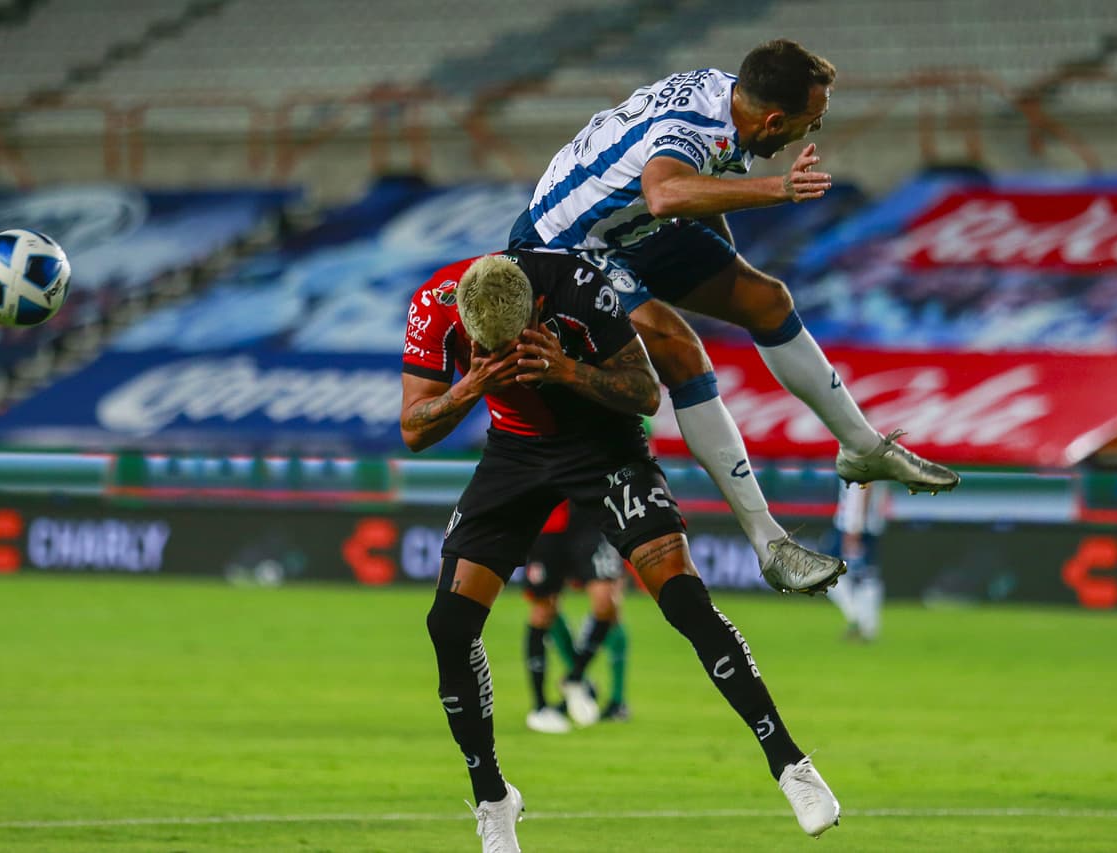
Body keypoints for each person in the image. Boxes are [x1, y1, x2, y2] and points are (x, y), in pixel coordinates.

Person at [401, 252, 840, 851]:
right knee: (448, 624)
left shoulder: (580, 287)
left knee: (683, 598)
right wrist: (473, 386)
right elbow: (413, 426)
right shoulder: (434, 305)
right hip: (515, 454)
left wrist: (565, 372)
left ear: (536, 307)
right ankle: (492, 799)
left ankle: (792, 766)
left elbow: (643, 392)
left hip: (602, 446)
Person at [508, 39, 960, 596]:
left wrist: (727, 270)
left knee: (765, 299)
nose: (809, 134)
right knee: (681, 350)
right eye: (809, 122)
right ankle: (769, 544)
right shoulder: (695, 128)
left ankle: (862, 449)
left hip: (629, 228)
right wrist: (781, 189)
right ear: (774, 120)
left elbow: (693, 193)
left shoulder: (732, 98)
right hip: (566, 246)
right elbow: (665, 193)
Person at [522, 499, 629, 733]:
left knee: (606, 602)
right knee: (542, 611)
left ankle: (576, 676)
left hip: (590, 520)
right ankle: (540, 706)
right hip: (549, 522)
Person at [823, 481, 890, 641]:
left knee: (831, 574)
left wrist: (854, 526)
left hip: (854, 526)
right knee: (864, 576)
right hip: (863, 523)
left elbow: (864, 486)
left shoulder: (861, 457)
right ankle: (864, 624)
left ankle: (863, 624)